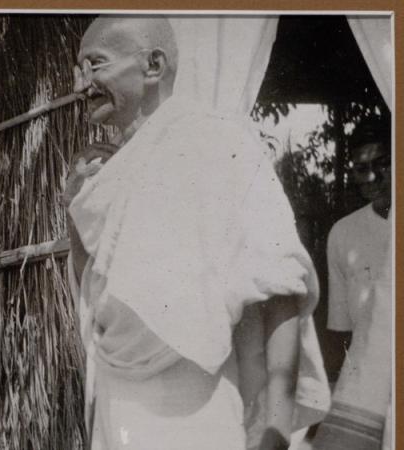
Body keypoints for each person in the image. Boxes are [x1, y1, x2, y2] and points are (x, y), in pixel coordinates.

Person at [63, 16, 329, 450]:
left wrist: (275, 430)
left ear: (153, 65)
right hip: (118, 406)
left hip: (196, 412)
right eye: (79, 68)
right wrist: (76, 216)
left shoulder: (221, 143)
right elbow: (95, 294)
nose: (81, 84)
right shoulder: (107, 173)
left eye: (95, 64)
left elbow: (279, 287)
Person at [311, 121, 393, 450]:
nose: (372, 177)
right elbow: (341, 331)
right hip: (368, 391)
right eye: (362, 168)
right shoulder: (344, 234)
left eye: (383, 164)